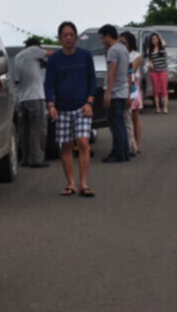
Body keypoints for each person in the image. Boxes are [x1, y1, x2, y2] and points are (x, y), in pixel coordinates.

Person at [45, 21, 97, 198]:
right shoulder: (54, 60)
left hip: (82, 107)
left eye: (71, 35)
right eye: (65, 35)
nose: (68, 38)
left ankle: (84, 183)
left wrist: (89, 102)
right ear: (60, 38)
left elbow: (92, 80)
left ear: (76, 37)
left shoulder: (85, 56)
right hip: (62, 108)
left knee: (83, 143)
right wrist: (50, 105)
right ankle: (70, 184)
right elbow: (49, 85)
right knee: (66, 146)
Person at [15, 38, 53, 168]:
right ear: (36, 46)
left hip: (23, 98)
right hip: (35, 97)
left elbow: (37, 66)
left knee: (25, 131)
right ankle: (36, 159)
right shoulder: (33, 50)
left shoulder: (19, 56)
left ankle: (25, 158)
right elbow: (51, 54)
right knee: (38, 130)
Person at [99, 24, 130, 163]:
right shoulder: (123, 49)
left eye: (102, 37)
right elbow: (128, 71)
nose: (101, 40)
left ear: (107, 35)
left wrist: (108, 94)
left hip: (115, 92)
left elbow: (112, 73)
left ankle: (117, 153)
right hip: (123, 90)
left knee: (115, 125)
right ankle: (124, 153)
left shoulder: (113, 51)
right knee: (121, 124)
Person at [120, 31, 143, 156]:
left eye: (124, 42)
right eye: (120, 42)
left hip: (133, 88)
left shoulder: (136, 55)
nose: (122, 44)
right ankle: (130, 144)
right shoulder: (120, 53)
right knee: (126, 119)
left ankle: (137, 144)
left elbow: (131, 70)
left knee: (135, 117)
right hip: (123, 86)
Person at [146, 32, 169, 114]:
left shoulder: (162, 48)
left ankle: (165, 108)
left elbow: (165, 44)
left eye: (155, 38)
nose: (154, 40)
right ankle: (158, 108)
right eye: (152, 39)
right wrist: (150, 63)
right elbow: (149, 60)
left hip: (163, 71)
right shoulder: (150, 50)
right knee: (155, 90)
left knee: (164, 90)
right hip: (154, 72)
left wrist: (160, 36)